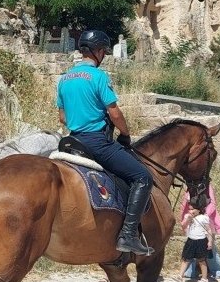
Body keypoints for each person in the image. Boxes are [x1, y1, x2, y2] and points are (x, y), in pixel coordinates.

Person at [56, 29, 155, 256]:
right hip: (96, 142)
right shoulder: (99, 77)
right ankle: (128, 235)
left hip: (71, 140)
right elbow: (114, 113)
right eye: (103, 51)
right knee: (142, 177)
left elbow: (62, 118)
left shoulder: (64, 79)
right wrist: (126, 134)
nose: (103, 55)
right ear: (98, 52)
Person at [180, 184, 220, 281]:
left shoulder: (207, 187)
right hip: (192, 221)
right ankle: (189, 272)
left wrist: (203, 215)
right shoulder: (189, 188)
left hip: (205, 218)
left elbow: (212, 204)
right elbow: (185, 204)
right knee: (191, 250)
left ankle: (217, 271)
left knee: (210, 249)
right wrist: (186, 216)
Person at [179, 207, 215, 282]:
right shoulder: (188, 216)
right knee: (186, 259)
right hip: (191, 240)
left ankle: (204, 278)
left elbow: (209, 230)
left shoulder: (203, 217)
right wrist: (188, 219)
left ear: (199, 210)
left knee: (201, 260)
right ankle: (180, 276)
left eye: (193, 209)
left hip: (201, 240)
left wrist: (210, 241)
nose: (190, 211)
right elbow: (183, 227)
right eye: (189, 209)